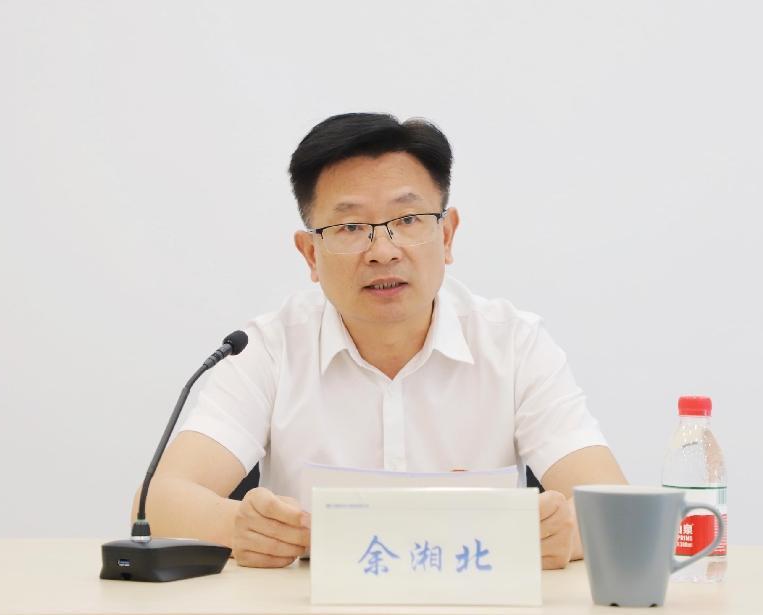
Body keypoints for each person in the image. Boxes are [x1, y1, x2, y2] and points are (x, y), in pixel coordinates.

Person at [132, 112, 627, 570]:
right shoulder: (267, 348)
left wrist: (567, 534)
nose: (383, 252)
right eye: (350, 227)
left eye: (408, 221)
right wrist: (237, 526)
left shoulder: (514, 345)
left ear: (447, 236)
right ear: (310, 254)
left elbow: (613, 504)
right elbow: (155, 502)